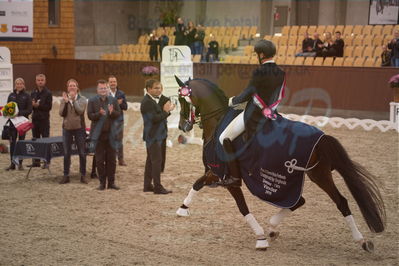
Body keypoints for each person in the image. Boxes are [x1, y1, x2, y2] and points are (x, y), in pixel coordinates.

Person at [218, 40, 285, 186]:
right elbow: (279, 95)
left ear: (261, 54)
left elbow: (248, 93)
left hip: (254, 114)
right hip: (271, 112)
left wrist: (231, 101)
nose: (256, 57)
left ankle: (235, 177)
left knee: (224, 137)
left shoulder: (259, 71)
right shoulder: (281, 72)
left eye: (257, 54)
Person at [140, 79, 175, 194]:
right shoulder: (147, 102)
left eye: (160, 88)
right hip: (153, 136)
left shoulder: (152, 100)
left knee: (150, 161)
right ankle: (157, 187)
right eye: (156, 88)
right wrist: (166, 111)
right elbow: (155, 119)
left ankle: (147, 185)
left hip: (158, 135)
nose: (159, 90)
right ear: (148, 89)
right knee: (156, 161)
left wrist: (167, 110)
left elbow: (160, 115)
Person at [88, 80, 122, 190]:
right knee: (99, 160)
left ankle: (111, 182)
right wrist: (99, 114)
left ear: (107, 89)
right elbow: (90, 116)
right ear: (97, 90)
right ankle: (102, 183)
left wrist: (112, 112)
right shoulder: (92, 101)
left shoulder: (113, 100)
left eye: (105, 88)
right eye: (101, 88)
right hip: (98, 135)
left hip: (111, 134)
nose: (103, 90)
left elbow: (118, 115)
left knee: (112, 159)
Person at [59, 79, 88, 184]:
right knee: (66, 153)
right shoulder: (64, 100)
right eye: (70, 86)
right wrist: (66, 102)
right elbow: (61, 113)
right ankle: (66, 175)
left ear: (77, 88)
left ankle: (83, 175)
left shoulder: (82, 99)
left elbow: (80, 111)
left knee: (82, 153)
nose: (71, 87)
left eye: (73, 86)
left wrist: (73, 101)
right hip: (66, 129)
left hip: (79, 129)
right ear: (67, 88)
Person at [5, 78, 32, 171]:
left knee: (21, 143)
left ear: (23, 85)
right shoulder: (11, 95)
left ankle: (20, 164)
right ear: (15, 85)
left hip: (22, 123)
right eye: (17, 83)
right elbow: (7, 108)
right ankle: (12, 164)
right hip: (12, 123)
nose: (19, 85)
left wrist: (18, 113)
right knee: (12, 143)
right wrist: (7, 113)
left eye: (21, 84)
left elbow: (29, 110)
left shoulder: (27, 96)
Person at [30, 74, 53, 168]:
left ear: (45, 81)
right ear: (36, 81)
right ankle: (36, 162)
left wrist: (38, 106)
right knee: (35, 140)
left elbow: (49, 107)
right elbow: (30, 106)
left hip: (44, 120)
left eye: (42, 80)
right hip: (35, 120)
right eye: (38, 80)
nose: (40, 82)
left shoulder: (48, 93)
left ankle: (46, 162)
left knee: (45, 140)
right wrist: (32, 105)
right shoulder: (33, 92)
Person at [108, 75, 128, 166]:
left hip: (119, 120)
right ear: (108, 83)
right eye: (111, 82)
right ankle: (111, 158)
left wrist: (118, 104)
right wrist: (117, 102)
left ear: (116, 83)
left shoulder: (121, 93)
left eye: (114, 82)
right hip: (108, 120)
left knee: (119, 140)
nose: (113, 83)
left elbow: (125, 107)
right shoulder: (105, 93)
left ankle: (121, 159)